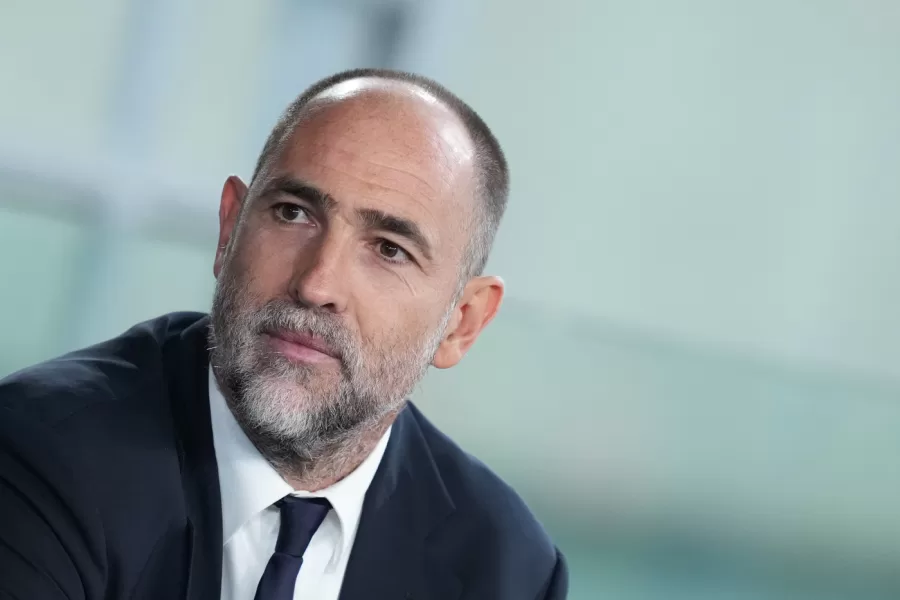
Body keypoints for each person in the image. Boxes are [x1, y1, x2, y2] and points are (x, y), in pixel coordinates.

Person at [0, 68, 567, 600]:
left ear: (462, 323)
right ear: (229, 230)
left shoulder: (508, 567)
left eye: (389, 250)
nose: (317, 284)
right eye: (294, 213)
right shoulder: (39, 453)